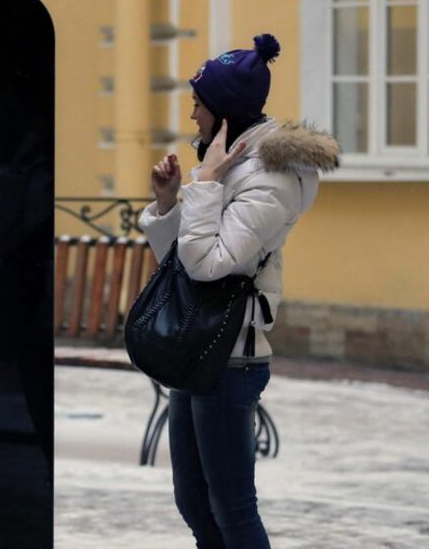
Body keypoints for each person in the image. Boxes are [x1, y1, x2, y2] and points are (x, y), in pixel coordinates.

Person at [138, 34, 339, 548]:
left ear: (224, 112)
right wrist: (167, 206)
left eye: (199, 106)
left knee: (232, 509)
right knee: (194, 500)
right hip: (199, 348)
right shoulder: (228, 163)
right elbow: (183, 261)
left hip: (231, 360)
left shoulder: (269, 181)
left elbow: (208, 265)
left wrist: (203, 183)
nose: (192, 118)